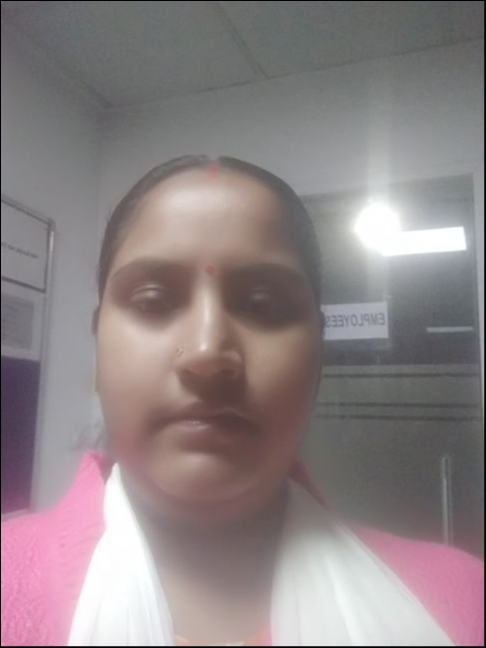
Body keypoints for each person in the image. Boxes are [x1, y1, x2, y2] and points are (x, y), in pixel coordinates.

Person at [1, 156, 483, 646]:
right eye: (153, 300)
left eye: (263, 305)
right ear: (98, 339)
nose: (208, 352)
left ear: (319, 352)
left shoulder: (463, 602)